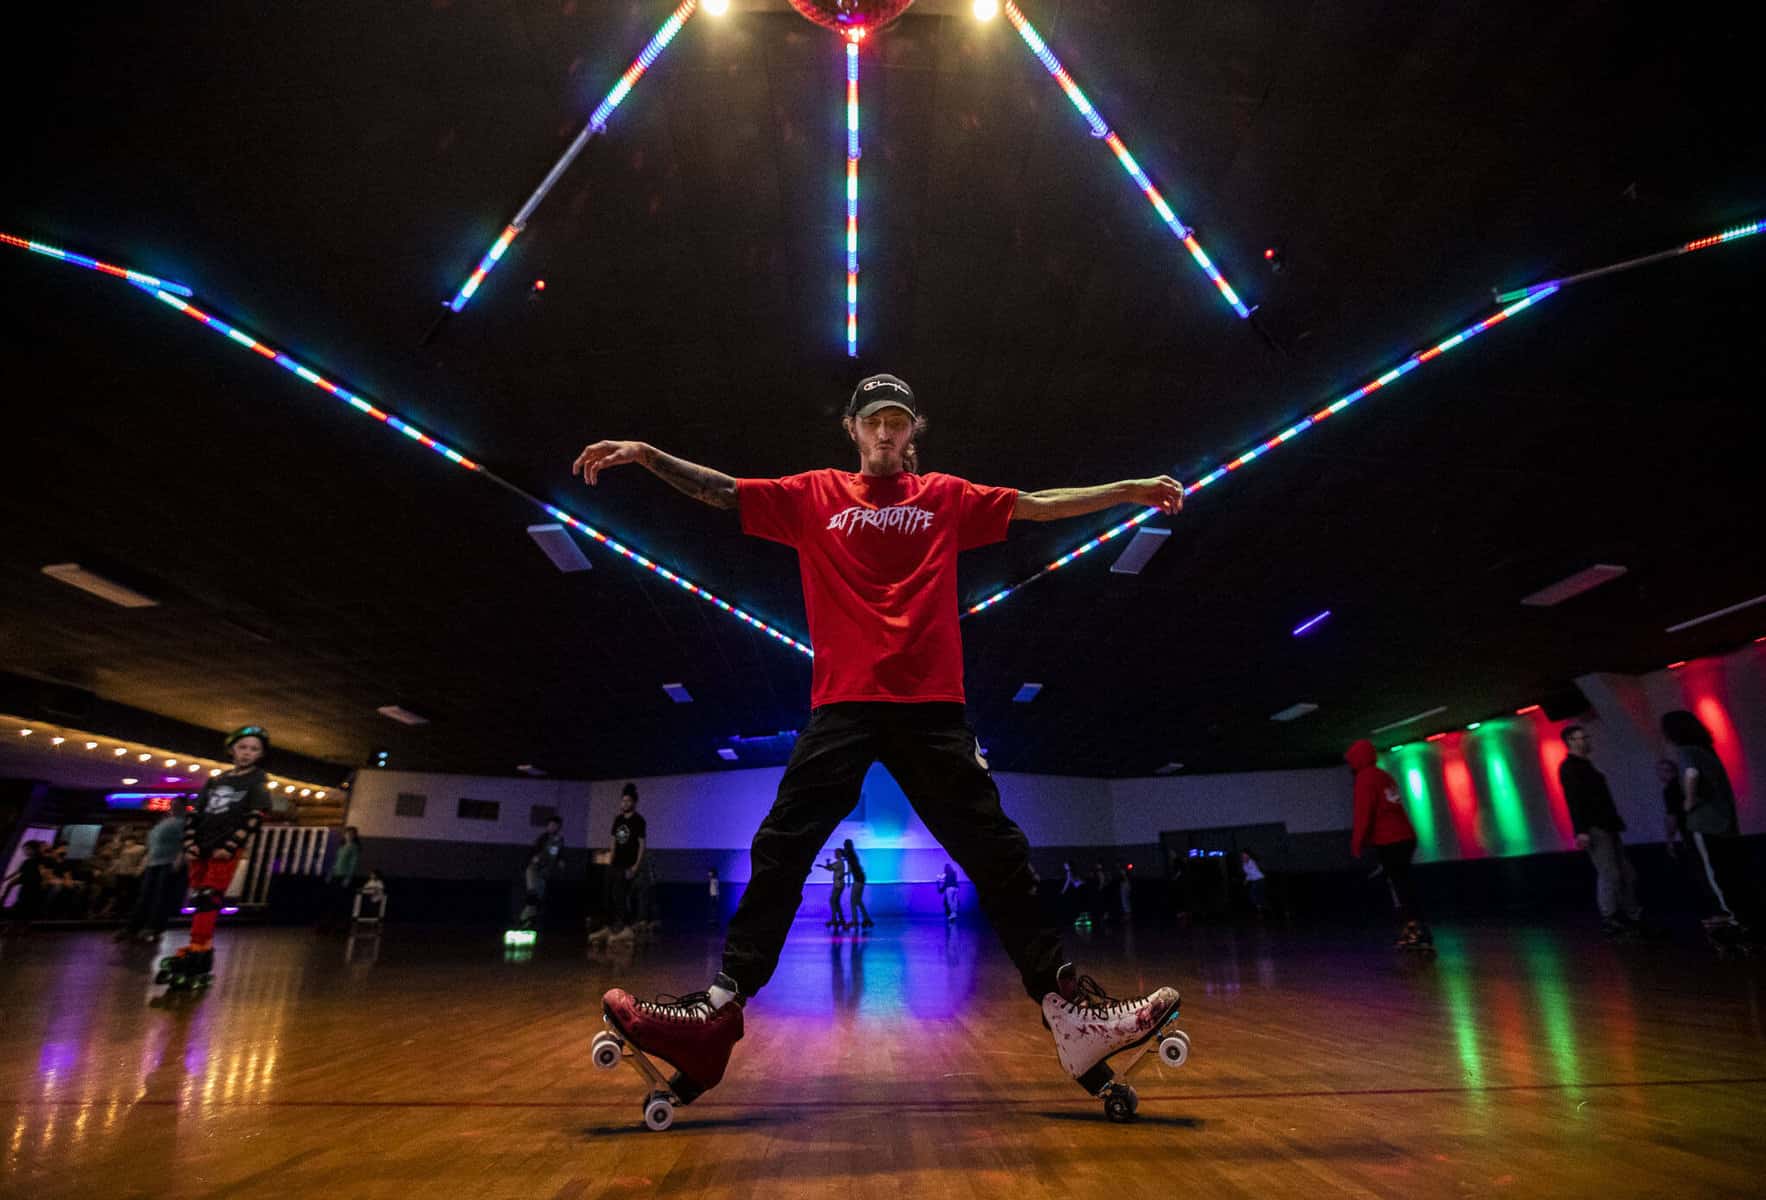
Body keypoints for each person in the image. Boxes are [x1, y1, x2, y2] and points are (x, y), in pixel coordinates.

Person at [576, 373, 1185, 1112]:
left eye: (898, 422)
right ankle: (718, 1008)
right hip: (844, 705)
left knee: (997, 853)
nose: (887, 434)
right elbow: (723, 491)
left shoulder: (946, 498)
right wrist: (645, 453)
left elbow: (1034, 505)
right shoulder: (813, 496)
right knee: (782, 846)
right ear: (854, 430)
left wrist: (1126, 490)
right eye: (875, 423)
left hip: (932, 708)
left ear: (913, 430)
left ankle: (1070, 1011)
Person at [157, 725, 272, 987]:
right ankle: (201, 950)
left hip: (224, 848)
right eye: (243, 747)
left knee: (210, 897)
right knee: (199, 898)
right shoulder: (215, 781)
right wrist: (189, 843)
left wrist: (231, 846)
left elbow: (256, 817)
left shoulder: (257, 781)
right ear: (232, 749)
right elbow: (195, 815)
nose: (247, 753)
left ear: (261, 754)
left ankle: (199, 948)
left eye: (254, 749)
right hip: (202, 845)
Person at [1662, 710, 1751, 931]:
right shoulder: (1707, 751)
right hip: (1725, 822)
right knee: (1731, 870)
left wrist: (1689, 801)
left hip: (1704, 823)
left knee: (1714, 872)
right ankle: (1743, 913)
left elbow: (1691, 774)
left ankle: (1731, 916)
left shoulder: (1686, 751)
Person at [1558, 725, 1644, 937]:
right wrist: (1581, 830)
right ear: (1571, 740)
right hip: (1596, 827)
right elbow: (1574, 800)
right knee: (1610, 873)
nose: (1587, 741)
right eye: (1582, 738)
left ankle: (1631, 915)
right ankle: (1612, 917)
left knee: (1626, 873)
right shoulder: (1570, 768)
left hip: (1606, 824)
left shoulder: (1585, 766)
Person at [1347, 740, 1431, 949]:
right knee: (1404, 885)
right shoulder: (1383, 775)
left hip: (1389, 839)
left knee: (1399, 887)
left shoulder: (1364, 778)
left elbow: (1364, 812)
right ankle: (1415, 929)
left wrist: (1357, 842)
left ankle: (1415, 930)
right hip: (1405, 837)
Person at [589, 784, 646, 947]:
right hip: (614, 864)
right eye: (623, 801)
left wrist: (635, 866)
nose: (625, 803)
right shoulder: (618, 819)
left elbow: (642, 845)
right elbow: (613, 840)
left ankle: (625, 929)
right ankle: (610, 927)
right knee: (608, 896)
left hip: (628, 865)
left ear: (633, 802)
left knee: (620, 896)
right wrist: (609, 859)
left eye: (628, 801)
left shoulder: (639, 821)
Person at [117, 814, 186, 942]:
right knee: (146, 896)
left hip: (167, 863)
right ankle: (135, 928)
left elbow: (183, 845)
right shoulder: (156, 833)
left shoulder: (179, 828)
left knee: (160, 897)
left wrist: (178, 860)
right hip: (155, 864)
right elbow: (151, 850)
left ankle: (152, 928)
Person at [519, 817, 566, 930]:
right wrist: (534, 858)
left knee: (538, 898)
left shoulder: (559, 840)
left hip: (544, 873)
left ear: (558, 827)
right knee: (532, 893)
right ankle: (523, 919)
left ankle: (529, 921)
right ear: (547, 826)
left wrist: (560, 861)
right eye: (550, 825)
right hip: (534, 869)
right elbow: (533, 851)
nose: (552, 827)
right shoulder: (542, 838)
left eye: (555, 825)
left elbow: (558, 854)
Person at [319, 826, 361, 933]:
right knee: (331, 901)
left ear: (354, 836)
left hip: (343, 877)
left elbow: (353, 863)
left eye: (351, 834)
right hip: (335, 876)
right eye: (347, 833)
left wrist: (348, 878)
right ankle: (328, 924)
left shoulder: (354, 847)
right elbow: (336, 862)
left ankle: (341, 926)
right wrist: (330, 874)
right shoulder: (341, 847)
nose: (349, 835)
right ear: (344, 834)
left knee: (341, 902)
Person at [842, 839, 874, 929]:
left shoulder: (850, 855)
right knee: (858, 900)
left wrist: (847, 879)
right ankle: (867, 919)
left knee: (853, 901)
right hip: (861, 878)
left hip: (858, 879)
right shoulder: (853, 854)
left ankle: (855, 921)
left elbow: (850, 869)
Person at [1240, 850, 1267, 916]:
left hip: (1260, 879)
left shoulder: (1251, 862)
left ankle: (1262, 907)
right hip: (1255, 880)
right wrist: (1245, 880)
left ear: (1248, 856)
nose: (1244, 857)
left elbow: (1252, 872)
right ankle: (1260, 908)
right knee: (1256, 895)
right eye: (1243, 856)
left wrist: (1247, 879)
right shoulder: (1244, 864)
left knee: (1255, 894)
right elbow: (1248, 874)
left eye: (1245, 855)